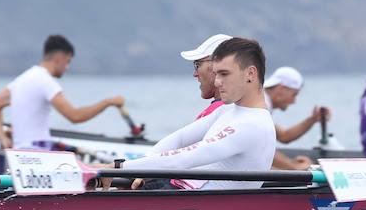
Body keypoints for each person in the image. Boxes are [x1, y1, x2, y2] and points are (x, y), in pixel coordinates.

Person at [130, 38, 278, 190]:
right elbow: (180, 139)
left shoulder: (252, 125)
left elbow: (184, 158)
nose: (217, 82)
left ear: (250, 73)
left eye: (224, 74)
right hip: (179, 190)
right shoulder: (227, 110)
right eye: (216, 74)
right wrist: (141, 164)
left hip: (194, 198)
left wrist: (122, 167)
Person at [0, 34, 126, 150]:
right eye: (68, 61)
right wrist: (108, 102)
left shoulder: (22, 79)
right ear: (60, 58)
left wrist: (2, 139)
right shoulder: (46, 81)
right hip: (38, 153)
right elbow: (75, 116)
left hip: (19, 153)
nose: (67, 67)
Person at [264, 66, 330, 168]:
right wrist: (294, 167)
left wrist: (313, 119)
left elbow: (284, 136)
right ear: (281, 89)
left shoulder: (261, 101)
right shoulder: (262, 104)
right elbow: (261, 148)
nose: (294, 101)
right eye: (294, 94)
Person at [181, 34, 231, 121]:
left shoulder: (215, 113)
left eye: (197, 65)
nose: (195, 74)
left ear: (216, 65)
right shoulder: (245, 109)